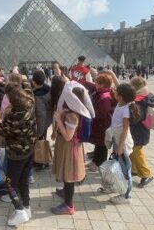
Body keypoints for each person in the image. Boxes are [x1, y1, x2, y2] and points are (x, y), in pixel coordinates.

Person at [0, 82, 36, 226]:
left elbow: (2, 131)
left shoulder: (12, 116)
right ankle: (26, 207)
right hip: (30, 150)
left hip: (16, 154)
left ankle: (20, 211)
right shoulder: (30, 103)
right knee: (23, 180)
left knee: (10, 183)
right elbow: (27, 85)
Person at [52, 85, 92, 215]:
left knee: (69, 175)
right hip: (68, 147)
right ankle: (65, 192)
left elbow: (68, 137)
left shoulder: (72, 115)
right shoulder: (74, 111)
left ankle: (69, 206)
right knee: (66, 173)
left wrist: (58, 119)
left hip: (69, 149)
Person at [106, 83, 138, 204]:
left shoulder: (125, 110)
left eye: (116, 92)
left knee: (125, 170)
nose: (114, 92)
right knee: (118, 167)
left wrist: (120, 147)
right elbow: (119, 86)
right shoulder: (121, 104)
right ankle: (117, 187)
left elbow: (125, 130)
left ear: (121, 96)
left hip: (122, 143)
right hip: (117, 140)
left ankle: (126, 195)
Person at [129, 77, 154, 188]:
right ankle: (134, 169)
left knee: (137, 152)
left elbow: (136, 118)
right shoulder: (146, 96)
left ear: (135, 87)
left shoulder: (140, 101)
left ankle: (147, 174)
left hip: (138, 131)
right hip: (141, 130)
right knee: (133, 150)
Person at [87, 74, 115, 171]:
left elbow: (103, 113)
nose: (95, 83)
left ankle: (99, 164)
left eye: (97, 82)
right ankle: (95, 161)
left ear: (102, 84)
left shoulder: (104, 96)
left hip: (102, 125)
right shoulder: (102, 93)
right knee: (98, 145)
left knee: (102, 146)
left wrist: (93, 116)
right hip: (100, 125)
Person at [32, 70, 52, 171]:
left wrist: (39, 131)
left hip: (41, 123)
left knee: (40, 141)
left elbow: (40, 115)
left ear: (34, 82)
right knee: (43, 140)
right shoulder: (48, 89)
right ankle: (44, 160)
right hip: (48, 120)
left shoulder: (38, 96)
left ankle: (41, 162)